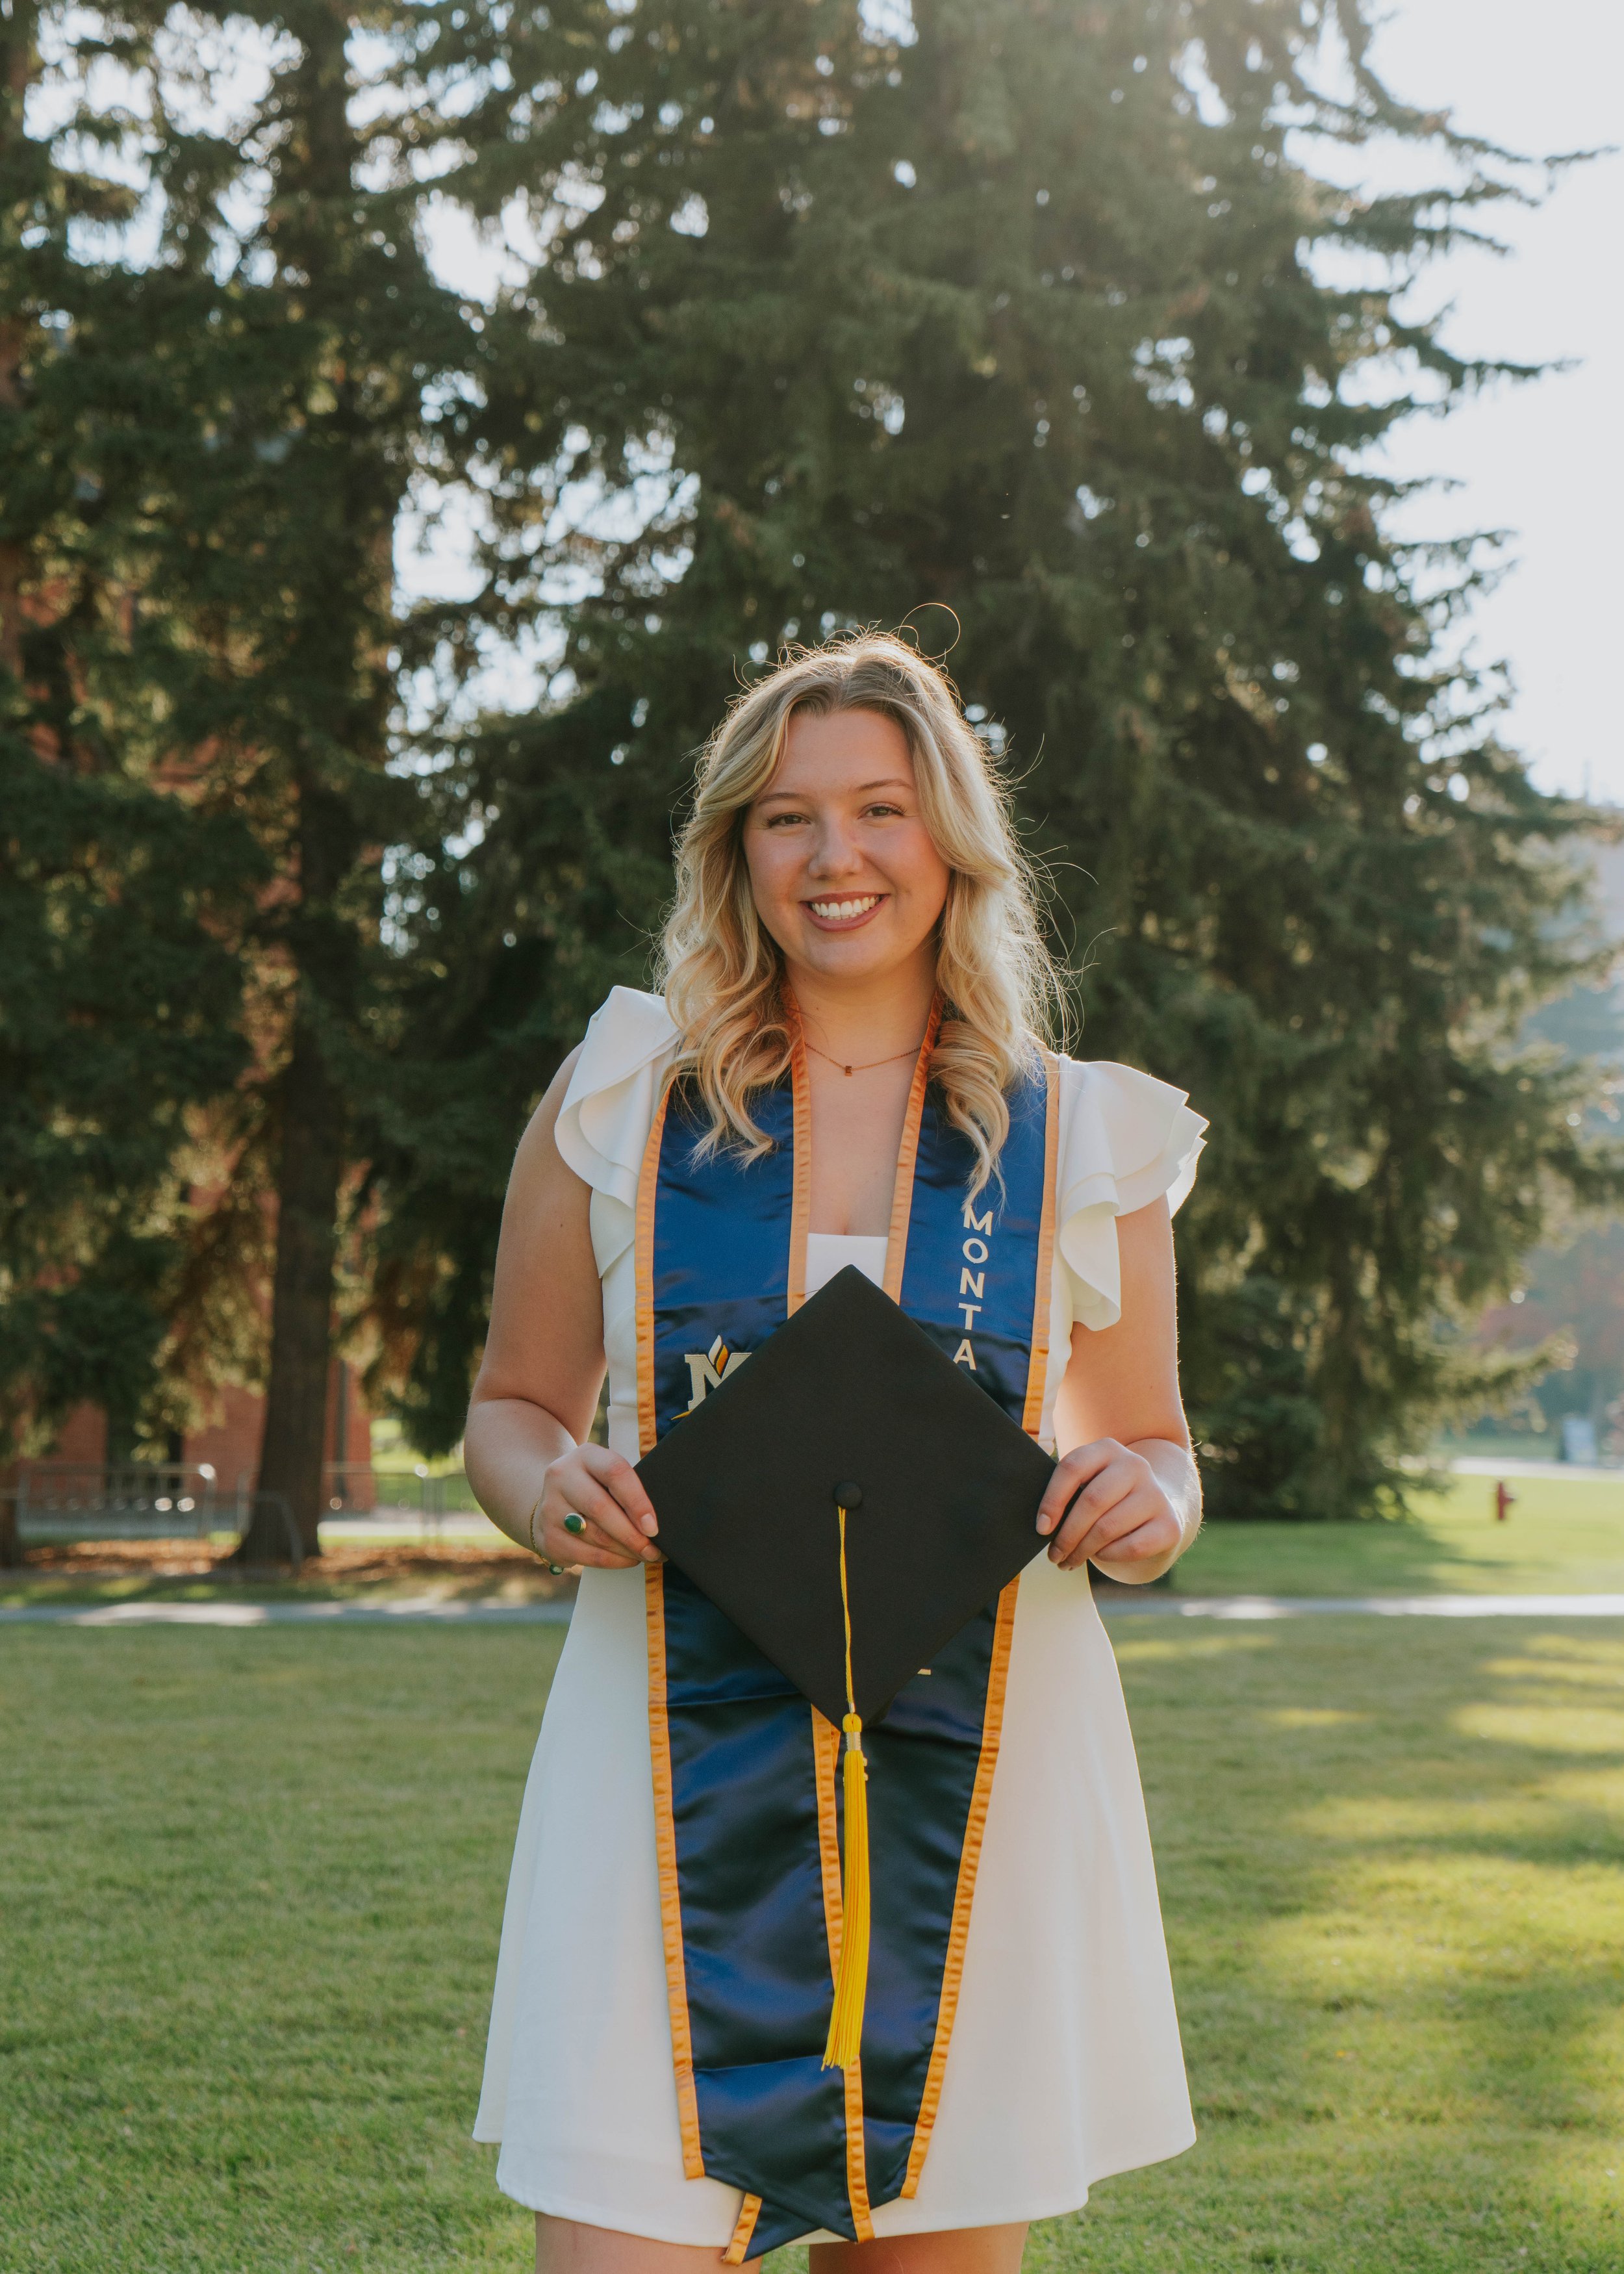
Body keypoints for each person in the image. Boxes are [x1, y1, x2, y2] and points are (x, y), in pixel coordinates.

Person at [467, 633, 1206, 2273]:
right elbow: (513, 1404)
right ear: (735, 849)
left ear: (949, 836)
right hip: (663, 1773)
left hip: (978, 1767)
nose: (834, 855)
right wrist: (545, 1490)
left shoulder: (1080, 1132)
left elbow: (1156, 1445)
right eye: (785, 817)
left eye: (878, 806)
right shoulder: (620, 1105)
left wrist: (1138, 1502)